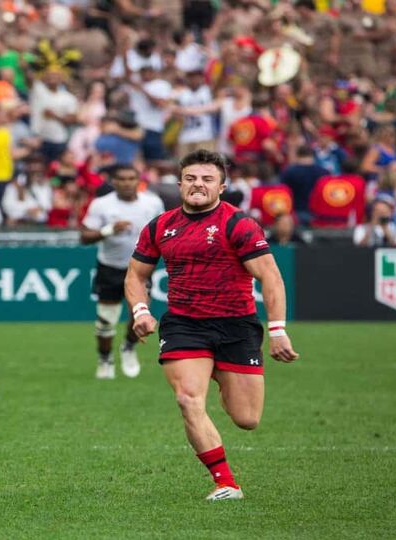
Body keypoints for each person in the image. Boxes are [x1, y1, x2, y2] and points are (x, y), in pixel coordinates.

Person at [125, 150, 299, 501]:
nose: (198, 185)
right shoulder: (160, 226)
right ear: (179, 184)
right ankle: (225, 483)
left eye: (207, 179)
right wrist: (140, 311)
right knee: (188, 399)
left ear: (221, 185)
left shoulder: (239, 224)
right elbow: (135, 274)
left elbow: (270, 277)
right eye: (191, 178)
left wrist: (278, 329)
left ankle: (218, 371)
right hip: (184, 326)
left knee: (246, 418)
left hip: (235, 325)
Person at [80, 164, 164, 379]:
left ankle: (128, 347)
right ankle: (105, 359)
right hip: (110, 267)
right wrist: (109, 230)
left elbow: (164, 231)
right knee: (106, 319)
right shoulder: (101, 205)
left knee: (140, 315)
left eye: (131, 178)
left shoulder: (152, 202)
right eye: (122, 179)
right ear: (114, 181)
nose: (127, 183)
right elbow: (84, 237)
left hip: (141, 269)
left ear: (138, 180)